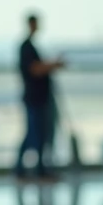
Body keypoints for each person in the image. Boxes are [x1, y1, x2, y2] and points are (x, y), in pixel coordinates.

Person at [15, 14, 65, 180]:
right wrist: (53, 65)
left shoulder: (32, 47)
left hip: (39, 98)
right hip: (34, 99)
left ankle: (26, 169)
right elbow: (35, 69)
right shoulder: (26, 47)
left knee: (35, 134)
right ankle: (35, 170)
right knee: (36, 135)